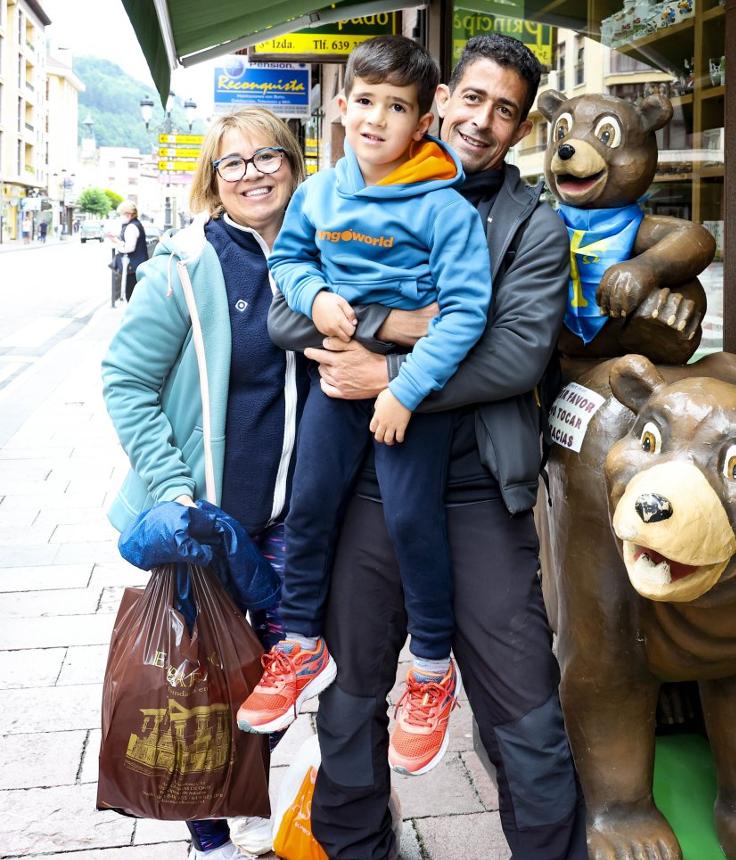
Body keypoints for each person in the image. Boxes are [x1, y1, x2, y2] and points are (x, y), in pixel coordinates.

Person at [268, 33, 586, 860]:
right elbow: (285, 311)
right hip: (371, 483)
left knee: (526, 711)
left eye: (506, 110)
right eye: (473, 98)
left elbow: (516, 354)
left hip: (480, 489)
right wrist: (386, 329)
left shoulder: (536, 229)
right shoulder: (355, 190)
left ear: (520, 130)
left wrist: (391, 374)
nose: (484, 120)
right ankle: (356, 848)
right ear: (442, 99)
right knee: (349, 694)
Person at [240, 36, 492, 783]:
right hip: (335, 386)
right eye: (366, 101)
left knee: (415, 520)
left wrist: (406, 389)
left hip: (413, 395)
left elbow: (466, 312)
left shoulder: (444, 208)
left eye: (398, 107)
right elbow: (287, 260)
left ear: (422, 123)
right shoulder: (319, 193)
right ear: (342, 105)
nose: (377, 118)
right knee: (309, 503)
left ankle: (433, 667)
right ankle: (298, 641)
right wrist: (315, 295)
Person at [101, 107, 309, 860]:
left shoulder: (322, 256)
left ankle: (241, 789)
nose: (253, 172)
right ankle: (211, 835)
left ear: (293, 163)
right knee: (203, 678)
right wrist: (173, 488)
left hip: (296, 514)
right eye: (234, 163)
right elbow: (125, 378)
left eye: (267, 157)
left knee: (292, 668)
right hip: (210, 520)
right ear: (213, 182)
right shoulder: (186, 265)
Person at [109, 201, 148, 304]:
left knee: (131, 296)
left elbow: (130, 248)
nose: (121, 216)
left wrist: (117, 243)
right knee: (136, 296)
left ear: (128, 214)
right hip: (139, 265)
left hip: (133, 268)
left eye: (121, 214)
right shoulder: (136, 224)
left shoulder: (131, 227)